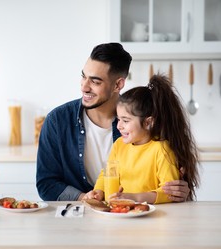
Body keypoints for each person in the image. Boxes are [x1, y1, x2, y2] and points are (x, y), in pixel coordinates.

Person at [36, 42, 190, 202]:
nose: (84, 87)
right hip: (79, 215)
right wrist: (88, 198)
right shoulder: (57, 121)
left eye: (95, 81)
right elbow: (47, 184)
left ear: (118, 84)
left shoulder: (140, 121)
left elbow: (169, 180)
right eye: (83, 76)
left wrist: (179, 190)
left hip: (138, 216)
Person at [84, 74, 199, 203]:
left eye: (126, 121)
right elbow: (107, 175)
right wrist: (99, 191)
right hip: (124, 213)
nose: (119, 126)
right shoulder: (119, 145)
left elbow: (170, 193)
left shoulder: (161, 149)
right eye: (118, 119)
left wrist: (134, 198)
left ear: (148, 122)